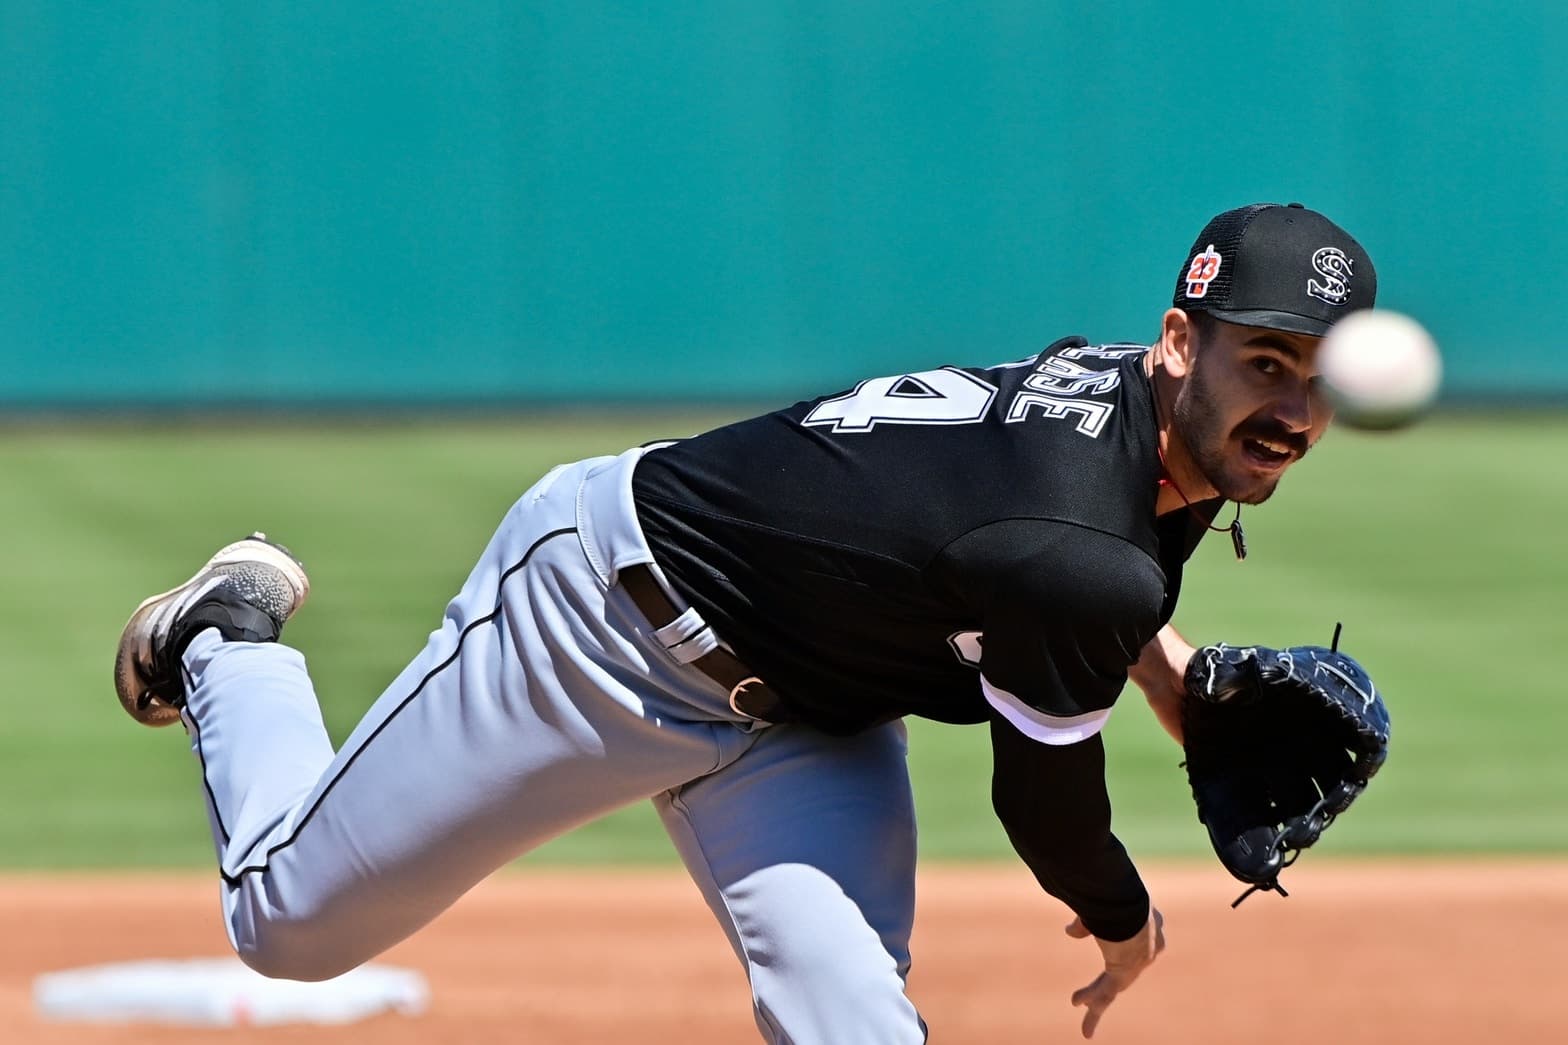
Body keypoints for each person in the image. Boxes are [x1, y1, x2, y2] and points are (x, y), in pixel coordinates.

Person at [114, 201, 1376, 1042]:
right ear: (1176, 343)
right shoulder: (1079, 547)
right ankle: (227, 636)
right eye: (1264, 361)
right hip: (600, 626)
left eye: (1315, 378)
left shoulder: (1133, 403)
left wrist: (1169, 685)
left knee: (850, 1019)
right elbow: (1045, 802)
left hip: (809, 717)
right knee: (289, 926)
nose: (1290, 408)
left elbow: (1066, 568)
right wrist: (1122, 923)